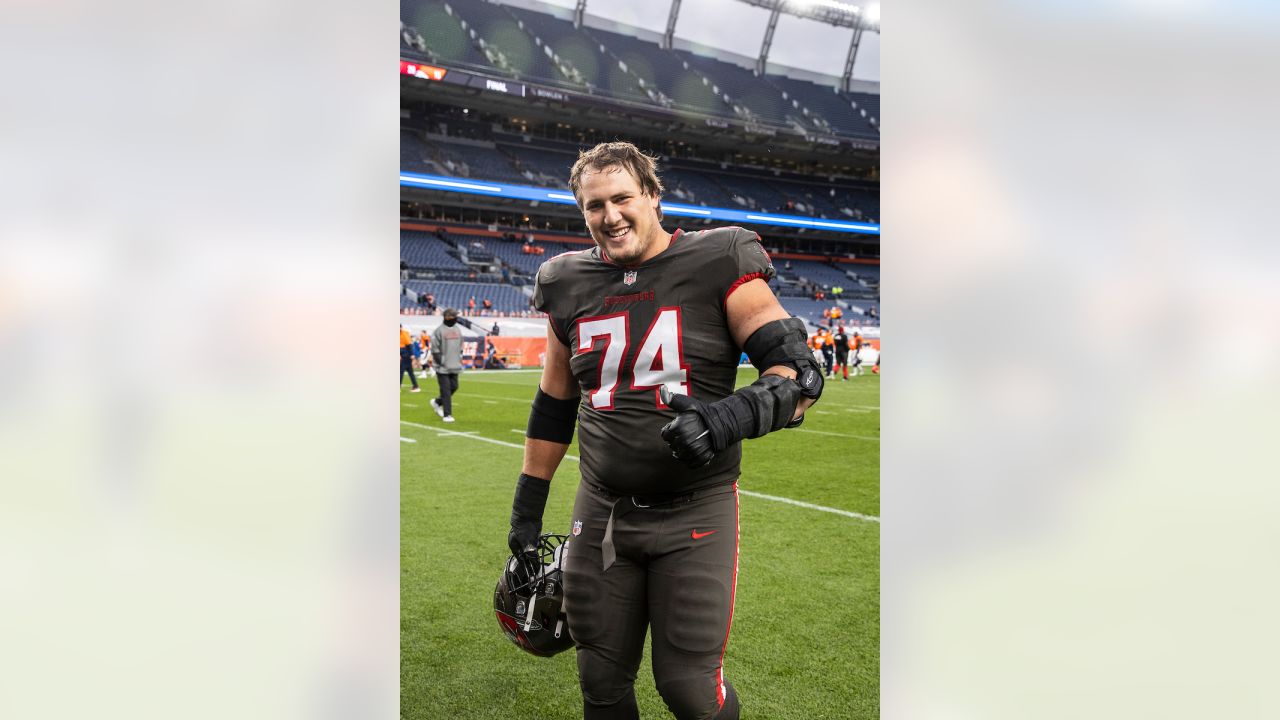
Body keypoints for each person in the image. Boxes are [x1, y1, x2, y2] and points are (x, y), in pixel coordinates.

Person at [505, 141, 823, 720]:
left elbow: (798, 375)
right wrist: (527, 508)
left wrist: (725, 417)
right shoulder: (565, 281)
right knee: (600, 680)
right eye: (594, 205)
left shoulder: (718, 258)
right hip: (600, 512)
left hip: (694, 512)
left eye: (622, 197)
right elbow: (553, 405)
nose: (610, 216)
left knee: (688, 688)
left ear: (652, 196)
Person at [429, 308, 464, 422]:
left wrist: (460, 359)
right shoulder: (438, 331)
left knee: (454, 387)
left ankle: (437, 402)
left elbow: (460, 346)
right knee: (446, 390)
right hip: (442, 368)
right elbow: (435, 350)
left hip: (455, 365)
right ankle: (447, 415)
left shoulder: (458, 330)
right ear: (447, 317)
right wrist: (441, 362)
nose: (455, 318)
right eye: (453, 316)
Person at [399, 325, 420, 392]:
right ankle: (416, 386)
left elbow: (409, 345)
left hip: (406, 354)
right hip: (404, 353)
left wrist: (411, 354)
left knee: (401, 371)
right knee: (410, 371)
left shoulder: (404, 334)